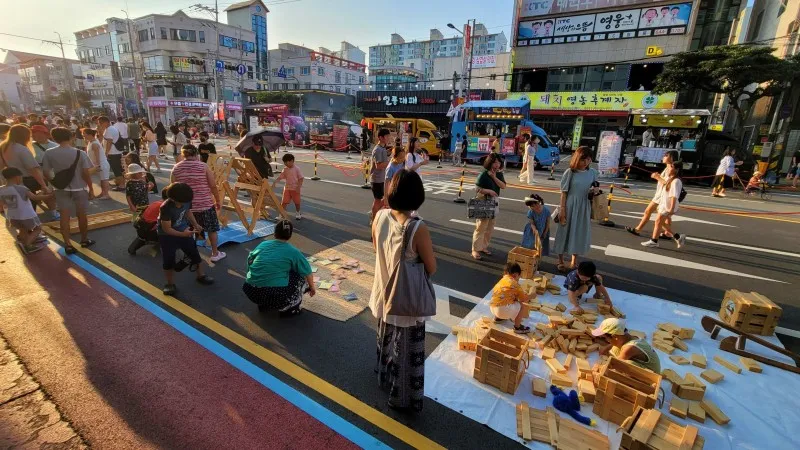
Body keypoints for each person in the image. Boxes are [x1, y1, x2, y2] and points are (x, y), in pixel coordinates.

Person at [370, 169, 435, 412]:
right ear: (418, 196)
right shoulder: (417, 227)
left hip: (383, 290)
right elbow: (431, 267)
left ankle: (383, 375)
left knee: (386, 338)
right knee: (407, 351)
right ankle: (403, 400)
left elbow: (376, 247)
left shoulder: (380, 216)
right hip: (406, 299)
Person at [41, 127, 96, 254]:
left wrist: (54, 183)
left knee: (64, 217)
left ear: (54, 138)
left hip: (61, 189)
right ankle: (84, 240)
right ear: (71, 137)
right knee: (82, 215)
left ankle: (68, 244)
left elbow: (46, 172)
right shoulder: (80, 153)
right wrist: (91, 188)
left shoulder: (49, 153)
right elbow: (86, 173)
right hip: (79, 187)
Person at [243, 220, 315, 316]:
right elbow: (307, 271)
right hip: (275, 295)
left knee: (278, 272)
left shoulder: (263, 244)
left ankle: (264, 304)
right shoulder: (293, 251)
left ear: (275, 233)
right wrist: (312, 288)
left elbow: (250, 260)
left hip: (250, 290)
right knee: (300, 276)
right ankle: (289, 308)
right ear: (290, 235)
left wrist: (253, 276)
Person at [171, 144, 226, 262]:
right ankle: (215, 253)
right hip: (205, 204)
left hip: (186, 207)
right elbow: (213, 185)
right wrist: (217, 200)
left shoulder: (176, 168)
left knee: (189, 230)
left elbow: (172, 188)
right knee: (211, 229)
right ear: (196, 154)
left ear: (183, 155)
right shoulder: (203, 166)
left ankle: (191, 254)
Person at [158, 182, 214, 295]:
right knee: (168, 259)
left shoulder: (186, 200)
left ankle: (201, 275)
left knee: (194, 254)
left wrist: (196, 224)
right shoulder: (166, 207)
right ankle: (170, 284)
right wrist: (183, 234)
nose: (184, 204)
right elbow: (167, 229)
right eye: (182, 202)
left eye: (186, 202)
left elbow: (188, 211)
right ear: (173, 199)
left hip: (183, 230)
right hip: (167, 236)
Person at [553, 146, 596, 273]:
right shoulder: (570, 172)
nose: (586, 162)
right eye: (583, 159)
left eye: (588, 159)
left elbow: (594, 188)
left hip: (584, 206)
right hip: (570, 205)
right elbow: (564, 193)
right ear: (577, 159)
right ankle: (560, 260)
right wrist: (562, 210)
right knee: (564, 232)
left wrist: (595, 191)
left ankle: (574, 261)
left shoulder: (592, 173)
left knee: (578, 233)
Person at [0, 124, 57, 217]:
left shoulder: (3, 146)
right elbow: (33, 169)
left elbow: (1, 165)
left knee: (16, 205)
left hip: (12, 180)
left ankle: (15, 220)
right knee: (34, 200)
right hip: (27, 179)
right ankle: (51, 214)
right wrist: (43, 185)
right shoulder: (22, 149)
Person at [625, 150, 678, 237]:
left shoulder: (671, 169)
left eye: (666, 155)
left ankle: (639, 230)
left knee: (651, 212)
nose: (663, 157)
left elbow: (669, 184)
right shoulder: (667, 167)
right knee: (664, 216)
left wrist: (657, 177)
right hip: (660, 194)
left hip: (662, 196)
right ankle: (668, 233)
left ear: (671, 158)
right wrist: (659, 176)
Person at [0, 167, 52, 254]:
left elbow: (3, 203)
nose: (21, 179)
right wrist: (49, 196)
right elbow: (34, 197)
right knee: (38, 229)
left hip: (12, 216)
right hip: (27, 215)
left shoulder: (1, 189)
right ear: (16, 177)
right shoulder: (21, 188)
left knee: (22, 229)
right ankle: (28, 245)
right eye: (21, 177)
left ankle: (23, 241)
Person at [642, 162, 687, 248]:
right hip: (664, 204)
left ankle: (654, 241)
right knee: (660, 222)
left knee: (658, 222)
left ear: (677, 170)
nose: (669, 168)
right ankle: (678, 237)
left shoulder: (676, 181)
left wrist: (671, 208)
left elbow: (674, 196)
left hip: (668, 205)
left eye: (671, 167)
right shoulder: (671, 178)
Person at [472, 153, 506, 260]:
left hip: (494, 201)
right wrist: (489, 191)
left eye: (498, 162)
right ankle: (475, 249)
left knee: (490, 227)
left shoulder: (499, 174)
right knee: (481, 226)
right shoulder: (483, 174)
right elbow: (477, 189)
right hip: (483, 200)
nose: (497, 165)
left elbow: (503, 186)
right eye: (494, 162)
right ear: (489, 163)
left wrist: (494, 177)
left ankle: (483, 247)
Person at [592, 318, 660, 373]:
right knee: (614, 349)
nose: (606, 340)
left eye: (605, 338)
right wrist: (605, 348)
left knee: (624, 365)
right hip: (642, 363)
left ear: (615, 336)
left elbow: (614, 364)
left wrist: (598, 367)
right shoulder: (627, 337)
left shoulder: (629, 348)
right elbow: (613, 344)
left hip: (651, 374)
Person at [490, 263, 533, 334]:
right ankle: (517, 327)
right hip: (502, 311)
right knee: (521, 306)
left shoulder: (502, 280)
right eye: (519, 277)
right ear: (516, 274)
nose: (518, 279)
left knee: (505, 300)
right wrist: (532, 296)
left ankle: (498, 318)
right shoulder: (515, 284)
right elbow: (523, 299)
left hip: (492, 308)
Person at [129, 187, 166, 255]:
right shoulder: (165, 207)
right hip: (151, 231)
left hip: (141, 228)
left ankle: (142, 241)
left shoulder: (156, 203)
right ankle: (164, 244)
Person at [272, 153, 304, 220]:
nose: (285, 164)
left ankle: (298, 213)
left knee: (297, 202)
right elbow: (280, 177)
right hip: (287, 188)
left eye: (286, 162)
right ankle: (281, 215)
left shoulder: (297, 169)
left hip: (295, 188)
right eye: (284, 162)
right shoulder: (285, 169)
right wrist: (275, 182)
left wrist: (298, 187)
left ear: (292, 161)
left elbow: (301, 178)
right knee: (284, 202)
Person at [98, 116, 126, 191]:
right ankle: (120, 183)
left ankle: (122, 185)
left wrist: (106, 153)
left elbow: (109, 142)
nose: (100, 124)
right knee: (118, 169)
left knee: (117, 169)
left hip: (113, 153)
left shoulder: (109, 130)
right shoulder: (110, 128)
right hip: (115, 152)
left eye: (101, 123)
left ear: (106, 122)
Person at [82, 128, 111, 200]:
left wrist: (98, 165)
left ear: (89, 135)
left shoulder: (94, 144)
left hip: (101, 164)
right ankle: (103, 193)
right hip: (97, 165)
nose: (83, 136)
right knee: (101, 179)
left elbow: (97, 156)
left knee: (104, 179)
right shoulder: (91, 142)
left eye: (84, 134)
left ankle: (106, 194)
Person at [369, 129, 390, 223]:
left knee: (385, 198)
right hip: (377, 179)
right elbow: (379, 166)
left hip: (382, 178)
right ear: (381, 137)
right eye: (387, 136)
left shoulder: (382, 148)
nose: (389, 138)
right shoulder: (378, 149)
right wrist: (391, 162)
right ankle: (373, 219)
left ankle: (374, 213)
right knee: (378, 200)